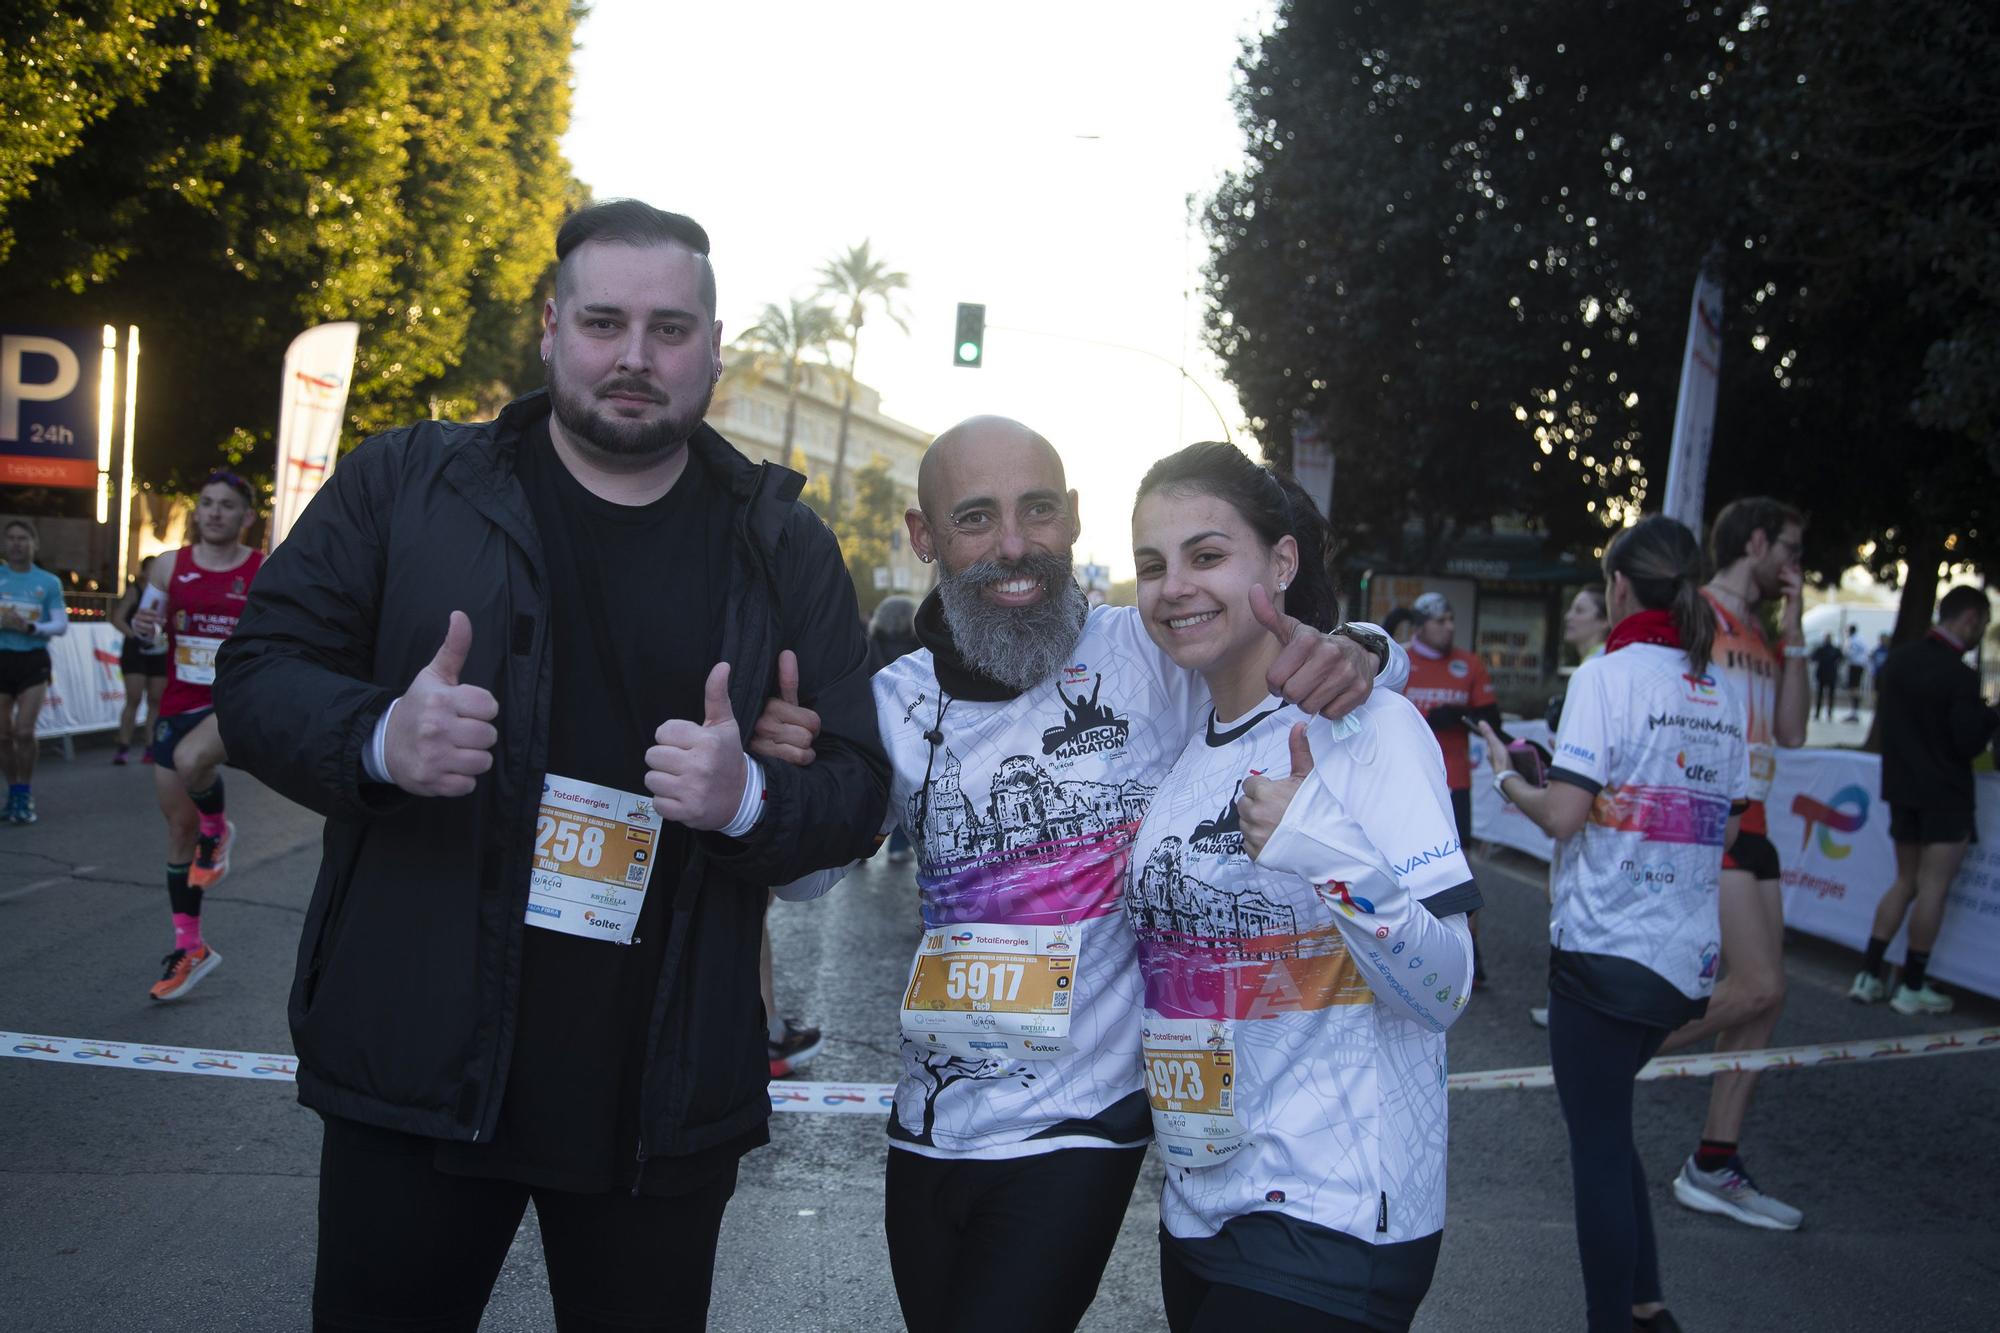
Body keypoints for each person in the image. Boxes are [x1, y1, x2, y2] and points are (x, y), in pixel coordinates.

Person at [212, 200, 890, 1331]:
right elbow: (258, 672)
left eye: (670, 329)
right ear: (550, 328)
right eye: (604, 321)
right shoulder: (407, 485)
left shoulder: (781, 541)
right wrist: (382, 737)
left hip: (657, 1101)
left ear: (715, 347)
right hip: (416, 1072)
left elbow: (858, 788)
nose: (634, 356)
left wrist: (749, 799)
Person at [763, 416, 1401, 1333]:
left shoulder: (1146, 651)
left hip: (1083, 1122)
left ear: (1073, 520)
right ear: (923, 537)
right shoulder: (894, 698)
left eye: (1039, 511)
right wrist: (783, 792)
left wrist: (1368, 648)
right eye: (977, 518)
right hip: (930, 1119)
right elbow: (805, 885)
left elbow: (1287, 662)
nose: (1014, 544)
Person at [1130, 443, 1478, 1333]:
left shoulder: (1372, 727)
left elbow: (1444, 988)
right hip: (1200, 1203)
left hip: (1335, 1214)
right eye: (1152, 564)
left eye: (1207, 555)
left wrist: (1326, 852)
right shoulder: (1183, 743)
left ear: (1280, 564)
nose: (1175, 585)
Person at [1479, 513, 1748, 1333]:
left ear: (1619, 586)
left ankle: (1612, 1321)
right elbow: (1727, 823)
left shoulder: (1608, 674)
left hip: (1603, 948)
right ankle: (1647, 1303)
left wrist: (1506, 778)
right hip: (1684, 958)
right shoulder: (1718, 686)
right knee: (1610, 1127)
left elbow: (1562, 815)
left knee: (1596, 1147)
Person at [1652, 496, 1808, 1232]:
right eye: (1790, 549)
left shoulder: (1763, 631)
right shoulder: (1700, 610)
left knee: (1766, 998)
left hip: (1763, 823)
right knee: (1757, 982)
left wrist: (1798, 629)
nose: (1795, 566)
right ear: (1755, 541)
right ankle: (1617, 1053)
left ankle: (1715, 1159)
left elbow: (1795, 730)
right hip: (1714, 820)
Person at [128, 471, 262, 1000]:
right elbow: (148, 619)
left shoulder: (261, 570)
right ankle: (191, 946)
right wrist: (145, 625)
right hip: (178, 702)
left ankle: (218, 829)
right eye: (206, 503)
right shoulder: (169, 565)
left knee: (191, 761)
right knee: (177, 830)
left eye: (226, 506)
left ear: (245, 517)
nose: (214, 513)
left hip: (232, 703)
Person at [1849, 586, 1998, 1015]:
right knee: (1933, 887)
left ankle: (1869, 974)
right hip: (1946, 796)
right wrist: (1992, 714)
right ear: (1970, 618)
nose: (1981, 632)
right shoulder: (1960, 676)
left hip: (1901, 790)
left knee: (1905, 880)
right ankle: (1912, 986)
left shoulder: (1897, 661)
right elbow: (1968, 741)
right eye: (1982, 623)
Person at [1402, 590, 1502, 985]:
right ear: (1420, 625)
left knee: (1457, 869)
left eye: (1450, 620)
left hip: (1454, 782)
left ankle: (1467, 952)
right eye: (1440, 620)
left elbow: (1490, 717)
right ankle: (1409, 945)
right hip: (1409, 781)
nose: (1449, 626)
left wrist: (1458, 716)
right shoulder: (1399, 660)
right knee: (1406, 867)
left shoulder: (1469, 663)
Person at [1530, 584, 1613, 1027]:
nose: (1569, 617)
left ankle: (1572, 1007)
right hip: (1588, 814)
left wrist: (1509, 779)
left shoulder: (1598, 672)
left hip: (1591, 820)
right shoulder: (1593, 668)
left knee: (1571, 897)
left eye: (1580, 610)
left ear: (1604, 618)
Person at [0, 518, 68, 822]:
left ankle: (25, 793)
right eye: (11, 538)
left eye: (23, 538)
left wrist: (31, 626)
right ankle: (13, 792)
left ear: (34, 544)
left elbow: (61, 625)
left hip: (33, 660)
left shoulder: (48, 582)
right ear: (4, 544)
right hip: (2, 658)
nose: (17, 543)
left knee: (24, 732)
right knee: (2, 735)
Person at [869, 592, 921, 864]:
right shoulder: (920, 645)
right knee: (909, 786)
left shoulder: (868, 644)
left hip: (874, 726)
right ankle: (898, 846)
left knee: (871, 788)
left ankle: (858, 849)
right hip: (912, 726)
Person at [108, 554, 170, 764]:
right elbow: (117, 618)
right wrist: (136, 636)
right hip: (135, 651)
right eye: (151, 569)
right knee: (133, 698)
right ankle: (123, 746)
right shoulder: (135, 591)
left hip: (159, 651)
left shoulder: (169, 592)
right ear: (143, 572)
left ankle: (150, 746)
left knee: (155, 699)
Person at [1810, 633, 1842, 721]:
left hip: (1824, 674)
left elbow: (1813, 657)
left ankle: (1820, 713)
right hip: (1829, 674)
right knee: (1829, 695)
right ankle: (1828, 713)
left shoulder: (1822, 649)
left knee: (1821, 694)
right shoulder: (1833, 650)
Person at [1842, 623, 1871, 720]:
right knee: (1855, 688)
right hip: (1860, 665)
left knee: (1854, 688)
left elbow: (1850, 653)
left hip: (1855, 665)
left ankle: (1854, 711)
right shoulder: (1860, 639)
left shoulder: (1853, 640)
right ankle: (1854, 711)